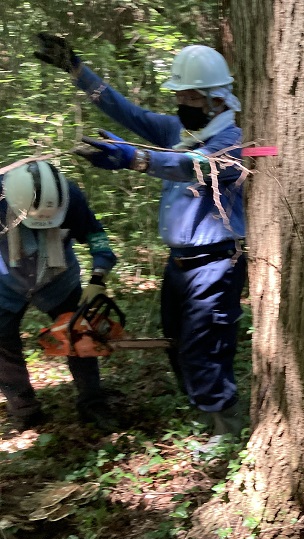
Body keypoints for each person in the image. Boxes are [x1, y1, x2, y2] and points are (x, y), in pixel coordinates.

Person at [34, 34, 247, 437]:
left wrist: (134, 158)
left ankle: (226, 429)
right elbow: (126, 112)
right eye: (180, 97)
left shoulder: (230, 142)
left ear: (217, 98)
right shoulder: (177, 129)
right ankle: (205, 417)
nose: (182, 105)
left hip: (216, 263)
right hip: (179, 265)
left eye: (192, 98)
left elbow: (190, 166)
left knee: (206, 347)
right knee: (178, 343)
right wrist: (78, 71)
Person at [0, 161, 118, 432]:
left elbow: (95, 235)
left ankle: (93, 403)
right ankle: (23, 410)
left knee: (80, 335)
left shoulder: (71, 196)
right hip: (5, 282)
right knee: (2, 345)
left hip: (58, 279)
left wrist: (98, 277)